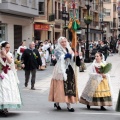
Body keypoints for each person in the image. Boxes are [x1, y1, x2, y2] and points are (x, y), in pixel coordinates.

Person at [49, 36, 79, 112]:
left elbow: (73, 59)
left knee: (69, 87)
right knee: (60, 86)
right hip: (60, 69)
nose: (64, 43)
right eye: (62, 42)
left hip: (68, 69)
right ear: (59, 43)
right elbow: (60, 57)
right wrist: (68, 55)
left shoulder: (69, 48)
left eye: (65, 41)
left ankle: (69, 105)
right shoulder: (57, 49)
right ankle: (57, 102)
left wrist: (75, 55)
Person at [0, 41, 22, 116]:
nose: (8, 49)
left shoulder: (9, 54)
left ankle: (5, 108)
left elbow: (9, 62)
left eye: (9, 47)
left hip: (8, 74)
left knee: (7, 89)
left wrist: (5, 54)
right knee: (2, 89)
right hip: (1, 73)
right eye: (6, 47)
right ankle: (2, 108)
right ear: (2, 47)